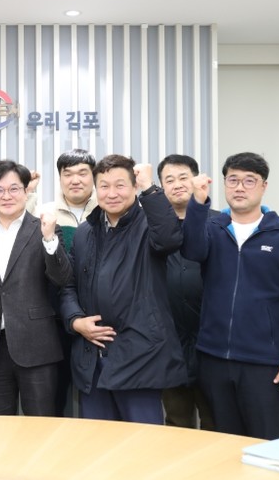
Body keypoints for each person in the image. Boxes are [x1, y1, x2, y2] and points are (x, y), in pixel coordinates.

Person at [181, 152, 279, 440]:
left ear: (264, 186)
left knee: (268, 445)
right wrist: (198, 203)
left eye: (249, 181)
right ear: (224, 184)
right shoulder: (212, 229)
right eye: (233, 180)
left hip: (265, 365)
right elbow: (191, 250)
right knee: (223, 444)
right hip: (213, 360)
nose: (240, 187)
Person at [60, 154, 187, 424]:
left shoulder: (150, 224)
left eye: (120, 185)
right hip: (92, 358)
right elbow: (68, 284)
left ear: (134, 187)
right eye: (104, 186)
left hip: (140, 357)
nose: (112, 193)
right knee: (98, 441)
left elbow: (169, 239)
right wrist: (75, 321)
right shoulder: (85, 232)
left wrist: (150, 189)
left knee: (142, 442)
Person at [0, 160, 72, 416]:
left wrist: (49, 239)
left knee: (41, 425)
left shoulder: (45, 229)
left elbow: (62, 278)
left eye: (14, 189)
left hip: (37, 346)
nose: (6, 196)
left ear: (26, 191)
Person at [25, 149, 98, 417]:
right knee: (53, 395)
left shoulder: (107, 208)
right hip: (54, 319)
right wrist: (29, 195)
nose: (75, 180)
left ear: (94, 177)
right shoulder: (44, 212)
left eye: (82, 173)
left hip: (97, 319)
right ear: (60, 178)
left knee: (97, 396)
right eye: (68, 174)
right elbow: (21, 241)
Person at [157, 154, 216, 430]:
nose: (177, 184)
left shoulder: (219, 223)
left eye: (183, 177)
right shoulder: (153, 227)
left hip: (211, 341)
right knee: (176, 422)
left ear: (196, 180)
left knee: (216, 422)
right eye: (169, 180)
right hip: (169, 343)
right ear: (161, 187)